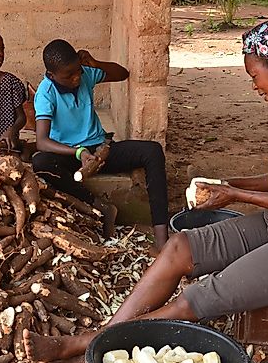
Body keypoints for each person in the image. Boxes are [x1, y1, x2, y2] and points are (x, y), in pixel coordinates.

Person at [23, 20, 268, 363]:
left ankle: (87, 346)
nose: (255, 87)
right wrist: (225, 182)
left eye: (255, 75)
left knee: (199, 297)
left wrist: (233, 194)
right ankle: (99, 341)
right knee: (180, 247)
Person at [32, 39, 170, 247]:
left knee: (153, 151)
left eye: (77, 71)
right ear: (52, 75)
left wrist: (96, 63)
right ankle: (100, 206)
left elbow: (122, 74)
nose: (76, 78)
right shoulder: (46, 93)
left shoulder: (86, 74)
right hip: (71, 156)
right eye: (68, 76)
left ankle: (161, 233)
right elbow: (42, 142)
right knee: (41, 163)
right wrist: (78, 152)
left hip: (101, 150)